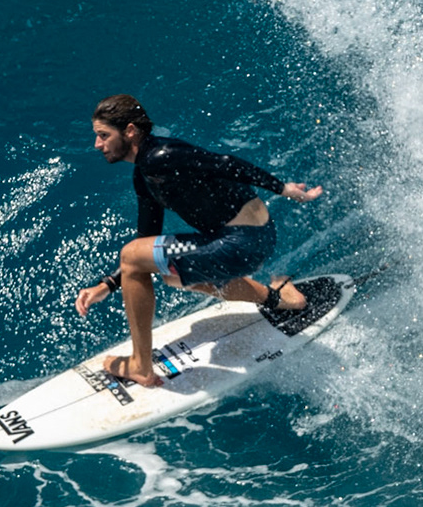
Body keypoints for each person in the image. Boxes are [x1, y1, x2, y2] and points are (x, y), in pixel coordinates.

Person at [73, 94, 324, 387]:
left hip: (243, 241)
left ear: (129, 131)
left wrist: (283, 188)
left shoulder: (162, 156)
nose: (97, 144)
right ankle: (279, 300)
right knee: (171, 273)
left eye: (104, 135)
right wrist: (107, 285)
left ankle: (141, 366)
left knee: (140, 257)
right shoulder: (144, 177)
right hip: (233, 242)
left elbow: (226, 163)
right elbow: (147, 239)